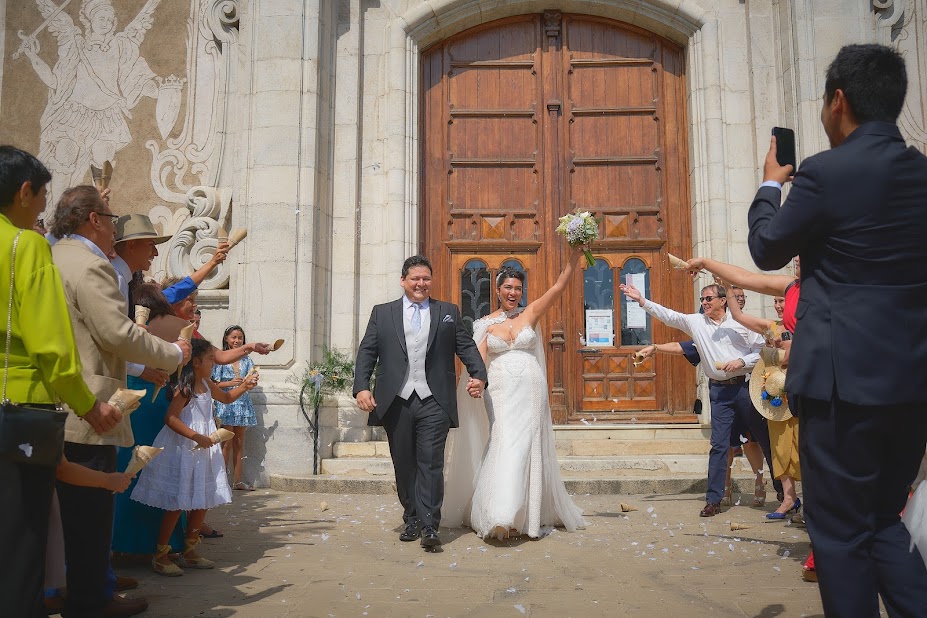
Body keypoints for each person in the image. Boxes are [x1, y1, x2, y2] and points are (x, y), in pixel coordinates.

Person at [747, 44, 927, 615]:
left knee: (840, 536)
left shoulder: (825, 173)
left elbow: (767, 248)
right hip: (908, 385)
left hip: (840, 389)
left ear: (839, 101)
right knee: (881, 522)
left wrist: (771, 185)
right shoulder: (921, 175)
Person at [49, 185, 191, 618]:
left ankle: (74, 590)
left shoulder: (53, 257)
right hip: (90, 404)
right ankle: (91, 599)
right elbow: (115, 332)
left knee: (68, 514)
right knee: (91, 514)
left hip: (57, 398)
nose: (113, 227)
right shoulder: (90, 265)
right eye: (110, 217)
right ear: (94, 219)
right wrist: (173, 354)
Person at [0, 146, 121, 617]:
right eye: (41, 196)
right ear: (24, 191)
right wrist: (88, 405)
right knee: (19, 546)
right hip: (20, 411)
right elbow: (50, 346)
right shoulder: (24, 245)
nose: (41, 211)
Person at [445, 248, 586, 540]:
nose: (513, 292)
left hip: (530, 391)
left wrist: (576, 253)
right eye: (508, 287)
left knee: (524, 447)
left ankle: (515, 517)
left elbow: (559, 286)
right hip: (498, 392)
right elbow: (478, 359)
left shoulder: (530, 313)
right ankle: (497, 513)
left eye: (518, 288)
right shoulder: (485, 324)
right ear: (497, 290)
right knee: (503, 442)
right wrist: (476, 382)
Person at [353, 255, 487, 550]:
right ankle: (411, 516)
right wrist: (361, 387)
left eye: (426, 279)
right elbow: (367, 352)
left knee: (431, 463)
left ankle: (429, 525)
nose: (421, 284)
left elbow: (466, 346)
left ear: (431, 281)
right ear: (403, 281)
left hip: (434, 400)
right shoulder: (382, 313)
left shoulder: (447, 312)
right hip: (396, 402)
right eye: (415, 279)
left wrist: (479, 375)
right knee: (404, 463)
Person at [620, 281, 766, 517]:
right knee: (719, 445)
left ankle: (783, 493)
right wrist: (641, 300)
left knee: (763, 438)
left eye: (708, 298)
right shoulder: (697, 323)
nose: (704, 303)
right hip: (719, 392)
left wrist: (741, 362)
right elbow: (669, 316)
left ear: (722, 300)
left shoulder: (741, 322)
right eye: (702, 299)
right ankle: (714, 500)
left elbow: (760, 351)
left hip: (745, 387)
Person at [131, 339, 256, 576]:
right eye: (210, 359)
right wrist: (196, 436)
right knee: (178, 501)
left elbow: (227, 398)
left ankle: (190, 549)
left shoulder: (207, 384)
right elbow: (171, 418)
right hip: (183, 448)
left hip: (204, 448)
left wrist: (246, 386)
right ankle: (161, 554)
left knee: (202, 499)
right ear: (196, 362)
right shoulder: (185, 387)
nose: (213, 363)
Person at [721, 281, 801, 520]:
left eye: (782, 301)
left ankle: (811, 503)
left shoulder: (808, 326)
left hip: (802, 393)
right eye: (775, 301)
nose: (778, 305)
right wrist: (727, 289)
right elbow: (738, 314)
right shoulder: (771, 327)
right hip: (776, 395)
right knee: (779, 446)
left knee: (801, 447)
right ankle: (789, 498)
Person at [212, 325, 258, 491]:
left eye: (240, 338)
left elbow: (251, 378)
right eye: (234, 337)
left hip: (243, 403)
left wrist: (251, 382)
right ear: (226, 339)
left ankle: (237, 481)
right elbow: (213, 383)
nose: (237, 341)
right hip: (226, 403)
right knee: (226, 443)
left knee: (239, 442)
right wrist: (229, 383)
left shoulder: (247, 360)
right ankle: (221, 481)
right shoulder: (220, 359)